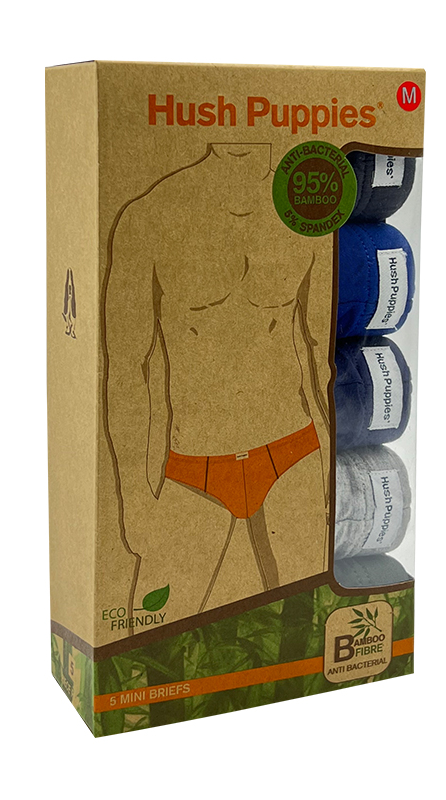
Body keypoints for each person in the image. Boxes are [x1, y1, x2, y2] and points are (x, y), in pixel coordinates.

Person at [106, 143, 331, 622]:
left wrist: (336, 466)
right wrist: (134, 500)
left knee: (306, 629)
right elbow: (125, 366)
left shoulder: (306, 212)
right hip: (196, 467)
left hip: (293, 451)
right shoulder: (152, 216)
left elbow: (324, 355)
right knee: (147, 640)